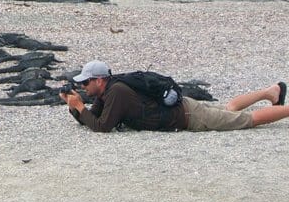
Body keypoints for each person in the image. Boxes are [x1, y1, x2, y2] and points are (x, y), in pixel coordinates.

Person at [59, 60, 288, 132]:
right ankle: (271, 91)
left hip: (190, 117)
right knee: (228, 109)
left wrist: (80, 107)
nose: (84, 87)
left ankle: (278, 102)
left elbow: (101, 127)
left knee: (248, 120)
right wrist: (73, 106)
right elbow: (91, 117)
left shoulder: (116, 92)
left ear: (99, 80)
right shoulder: (110, 89)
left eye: (86, 82)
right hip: (186, 107)